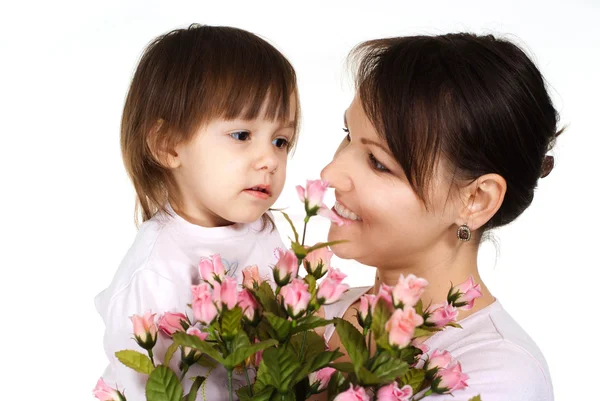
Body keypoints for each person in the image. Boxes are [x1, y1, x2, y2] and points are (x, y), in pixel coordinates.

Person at [321, 33, 559, 400]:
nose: (330, 174)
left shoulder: (498, 374)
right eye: (347, 135)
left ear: (476, 200)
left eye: (378, 163)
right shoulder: (304, 314)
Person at [94, 24, 299, 401]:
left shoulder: (262, 230)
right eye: (241, 135)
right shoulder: (154, 270)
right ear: (169, 145)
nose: (270, 159)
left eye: (280, 140)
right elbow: (137, 385)